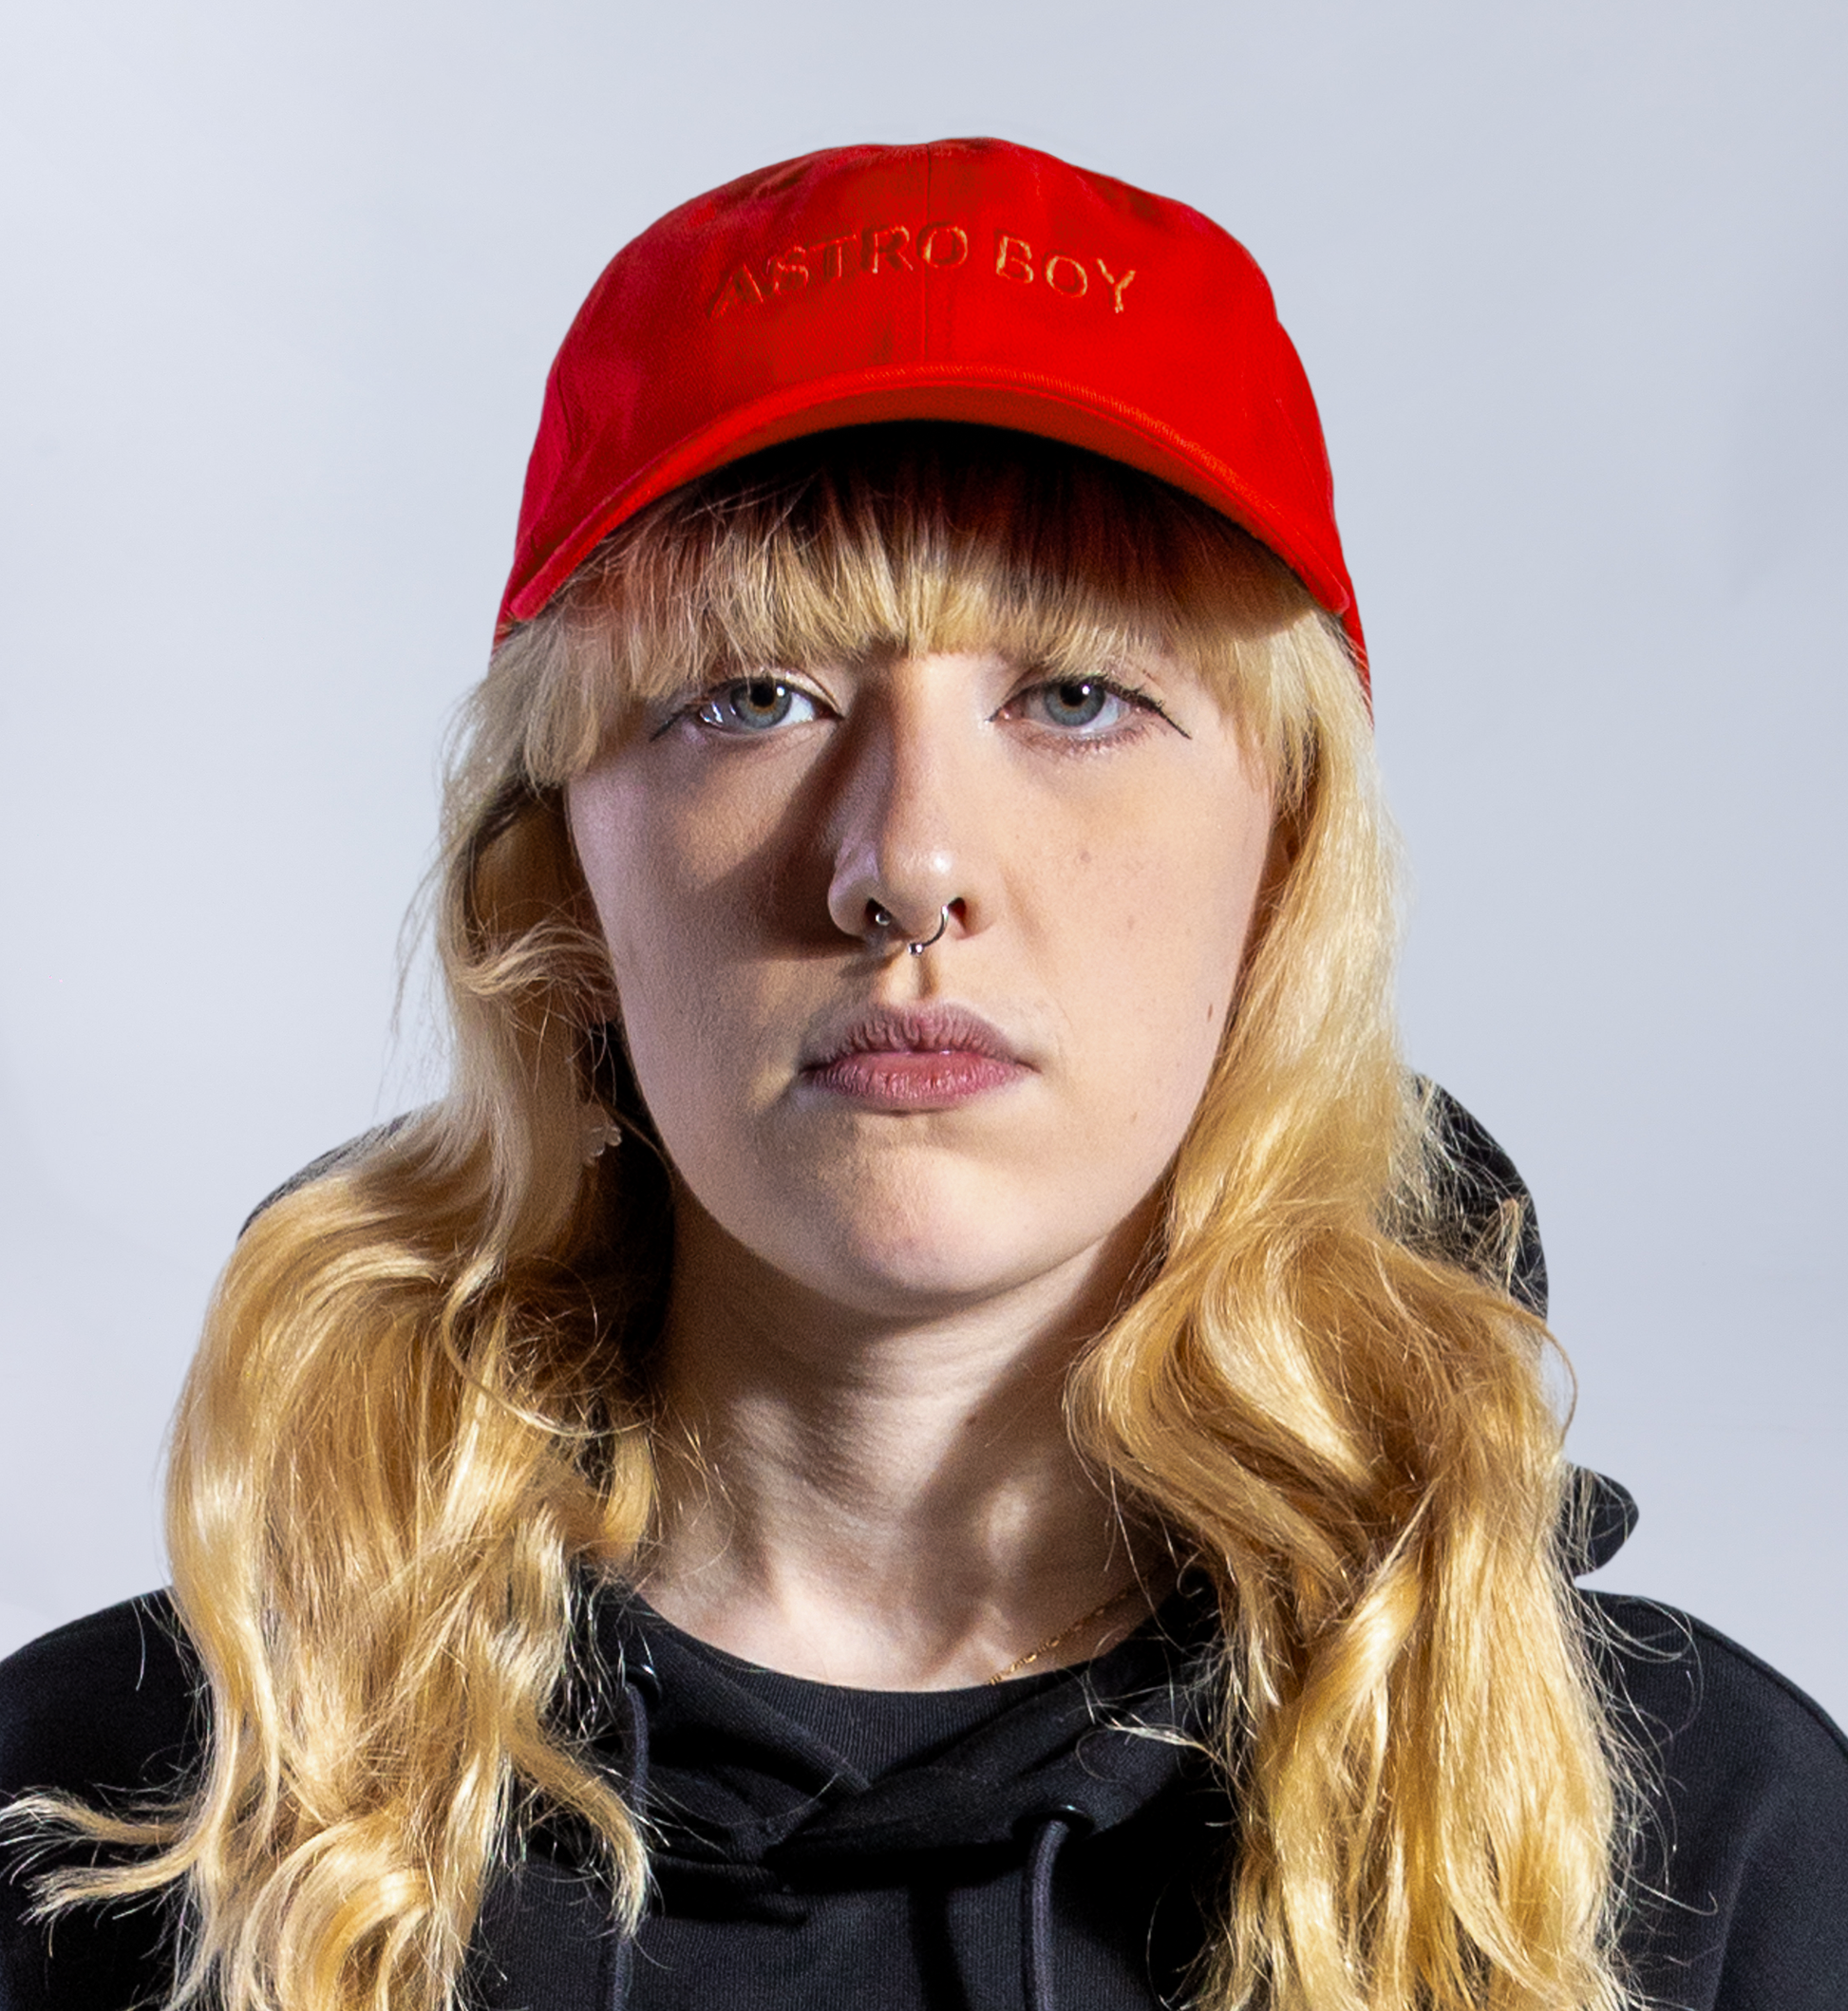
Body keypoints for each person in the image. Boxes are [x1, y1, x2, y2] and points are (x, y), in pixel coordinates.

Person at [2, 136, 1843, 2011]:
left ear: (1278, 863)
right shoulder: (104, 1827)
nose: (907, 857)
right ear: (557, 871)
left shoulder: (1687, 1842)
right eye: (753, 695)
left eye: (1074, 695)